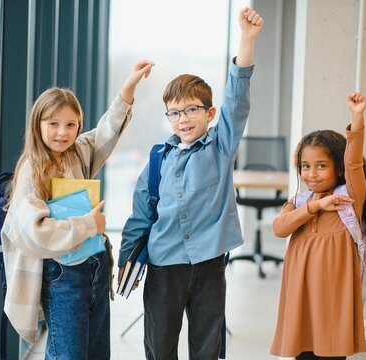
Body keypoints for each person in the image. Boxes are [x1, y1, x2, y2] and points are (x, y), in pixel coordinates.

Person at [117, 7, 263, 360]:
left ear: (209, 113)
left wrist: (246, 39)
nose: (183, 119)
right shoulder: (157, 160)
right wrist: (126, 262)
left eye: (192, 110)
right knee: (159, 347)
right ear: (168, 116)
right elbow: (141, 215)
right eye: (175, 112)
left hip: (209, 265)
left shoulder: (220, 146)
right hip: (164, 265)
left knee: (207, 349)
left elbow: (237, 100)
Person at [1, 59, 154, 359]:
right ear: (38, 124)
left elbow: (107, 131)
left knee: (96, 354)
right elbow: (33, 232)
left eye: (71, 124)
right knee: (67, 355)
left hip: (94, 269)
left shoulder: (78, 152)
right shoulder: (31, 170)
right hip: (64, 276)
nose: (62, 132)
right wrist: (88, 226)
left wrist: (129, 86)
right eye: (53, 124)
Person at [270, 93, 366, 360]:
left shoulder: (350, 200)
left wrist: (357, 118)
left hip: (332, 302)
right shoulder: (300, 201)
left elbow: (354, 162)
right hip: (301, 298)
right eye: (305, 166)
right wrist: (315, 207)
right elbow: (279, 228)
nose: (312, 173)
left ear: (338, 169)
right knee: (302, 354)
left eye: (321, 165)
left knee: (331, 355)